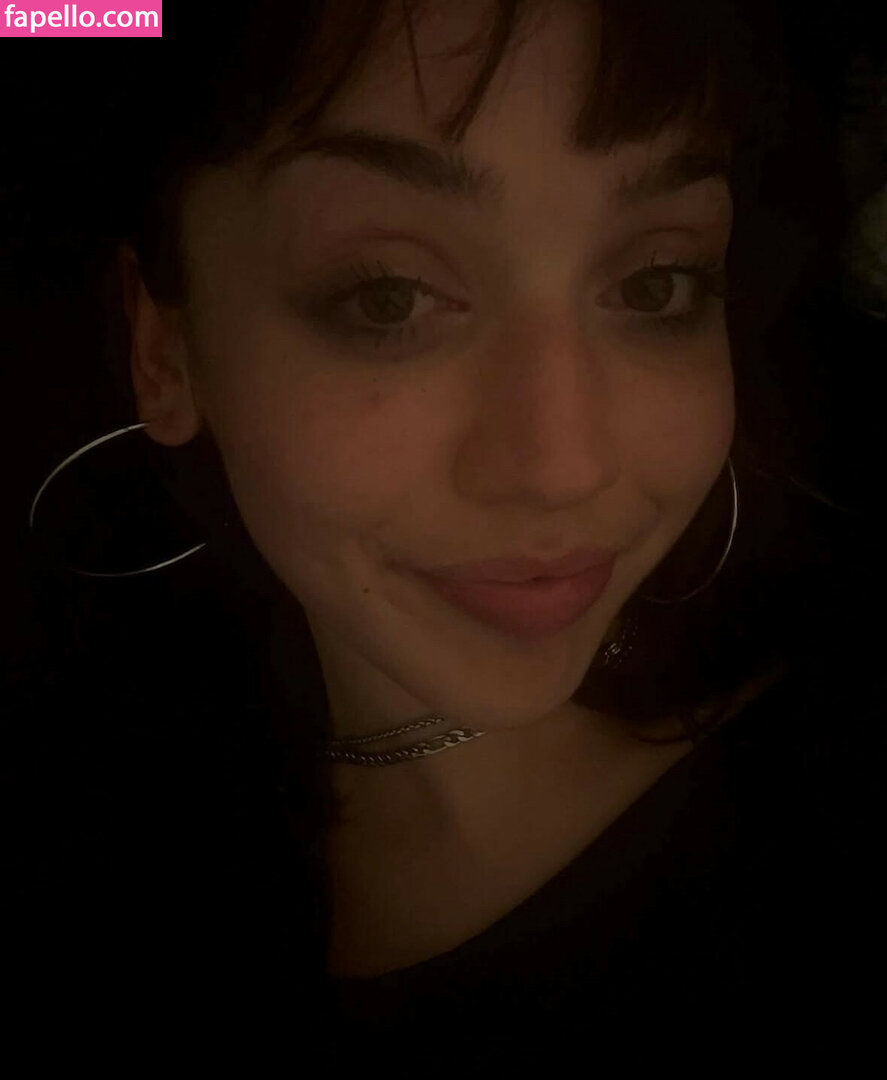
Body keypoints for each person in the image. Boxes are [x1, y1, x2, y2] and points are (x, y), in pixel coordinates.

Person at [10, 0, 881, 1068]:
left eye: (655, 284)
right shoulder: (103, 865)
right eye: (388, 298)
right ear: (164, 355)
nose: (563, 467)